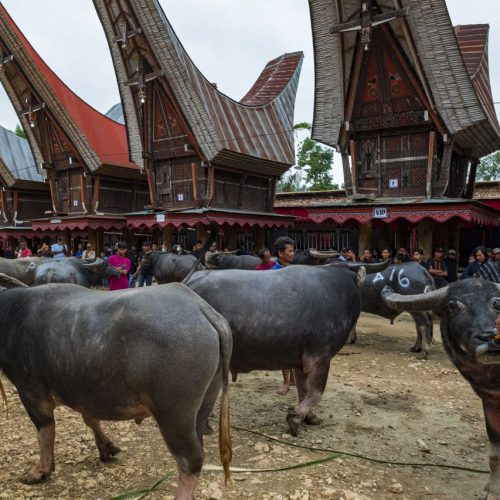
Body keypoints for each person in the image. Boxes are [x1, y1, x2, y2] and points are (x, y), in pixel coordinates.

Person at [270, 236, 296, 394]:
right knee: (286, 349)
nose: (293, 253)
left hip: (295, 313)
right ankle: (286, 382)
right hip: (281, 314)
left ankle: (293, 378)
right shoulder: (274, 271)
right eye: (290, 251)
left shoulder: (293, 269)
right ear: (281, 253)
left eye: (293, 250)